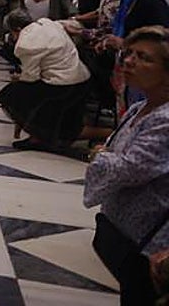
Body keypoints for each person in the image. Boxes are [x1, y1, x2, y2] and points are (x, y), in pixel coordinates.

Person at [84, 26, 169, 304]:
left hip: (153, 240)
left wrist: (100, 156)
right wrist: (108, 155)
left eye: (144, 57)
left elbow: (130, 168)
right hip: (126, 230)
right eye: (129, 53)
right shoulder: (139, 107)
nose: (129, 61)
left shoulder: (165, 120)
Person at [0, 9, 91, 152]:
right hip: (82, 78)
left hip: (63, 84)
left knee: (11, 94)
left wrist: (18, 78)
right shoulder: (48, 23)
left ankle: (36, 134)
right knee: (62, 121)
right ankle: (39, 135)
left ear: (17, 30)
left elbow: (31, 78)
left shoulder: (25, 43)